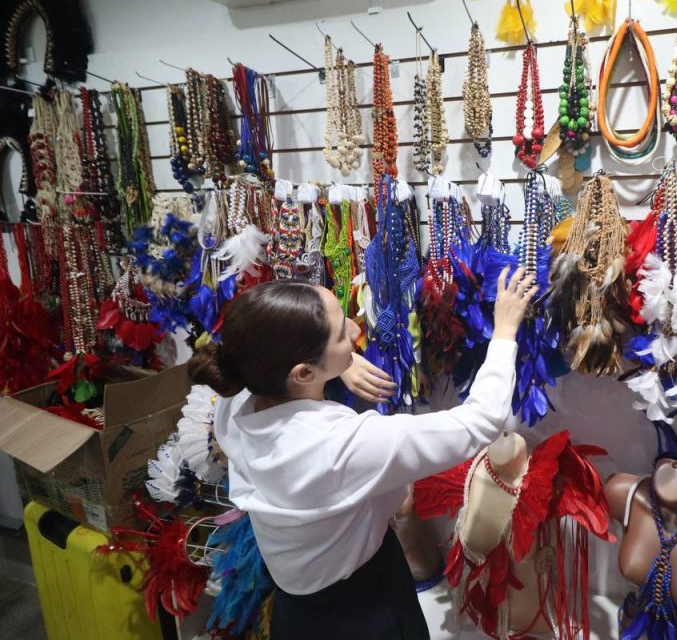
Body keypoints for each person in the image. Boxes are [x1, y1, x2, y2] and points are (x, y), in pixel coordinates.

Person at [187, 267, 537, 639]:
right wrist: (503, 331)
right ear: (302, 373)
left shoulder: (235, 399)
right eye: (342, 335)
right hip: (362, 610)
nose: (357, 331)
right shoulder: (338, 445)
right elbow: (479, 422)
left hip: (296, 611)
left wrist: (339, 365)